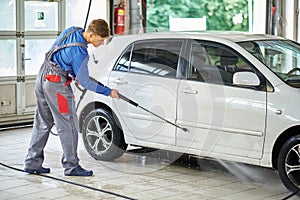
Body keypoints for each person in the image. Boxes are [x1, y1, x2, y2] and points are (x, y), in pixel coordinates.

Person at [24, 19, 119, 176]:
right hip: (56, 85)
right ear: (91, 34)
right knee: (69, 126)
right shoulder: (81, 53)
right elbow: (86, 82)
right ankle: (71, 166)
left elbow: (63, 55)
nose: (101, 43)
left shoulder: (72, 30)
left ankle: (32, 162)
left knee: (42, 123)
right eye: (100, 40)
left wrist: (74, 73)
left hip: (42, 77)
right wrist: (109, 92)